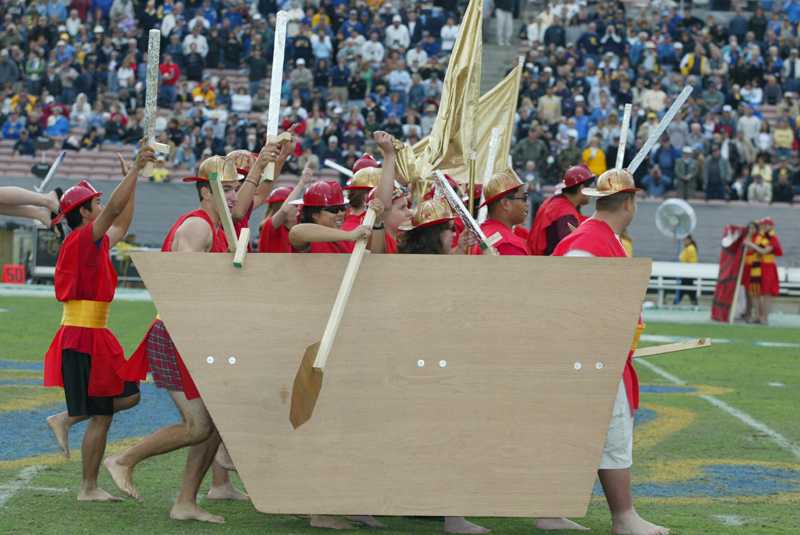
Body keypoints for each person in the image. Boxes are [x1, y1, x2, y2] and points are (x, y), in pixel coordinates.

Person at [109, 156, 248, 523]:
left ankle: (185, 502)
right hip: (174, 335)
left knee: (215, 421)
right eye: (229, 189)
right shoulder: (198, 227)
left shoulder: (217, 229)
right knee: (200, 425)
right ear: (207, 193)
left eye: (236, 189)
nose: (236, 196)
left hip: (195, 336)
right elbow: (186, 289)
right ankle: (123, 459)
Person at [553, 168, 669, 535]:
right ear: (629, 204)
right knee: (613, 432)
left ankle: (552, 511)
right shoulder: (590, 242)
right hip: (590, 358)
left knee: (579, 433)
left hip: (592, 354)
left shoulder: (597, 237)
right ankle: (624, 517)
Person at [43, 141, 155, 502]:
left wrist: (133, 180)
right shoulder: (81, 239)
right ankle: (87, 485)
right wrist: (137, 168)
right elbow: (117, 210)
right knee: (104, 412)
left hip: (92, 335)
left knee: (125, 398)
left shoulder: (93, 241)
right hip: (82, 336)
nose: (103, 206)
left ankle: (68, 420)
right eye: (96, 203)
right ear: (85, 213)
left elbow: (121, 220)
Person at [528, 163, 594, 256]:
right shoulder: (566, 213)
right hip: (548, 265)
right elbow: (571, 252)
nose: (592, 192)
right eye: (591, 187)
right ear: (582, 188)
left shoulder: (552, 200)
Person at [472, 170, 531, 256]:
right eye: (524, 197)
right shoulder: (508, 243)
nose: (527, 203)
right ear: (505, 204)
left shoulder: (483, 232)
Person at [751, 217, 782, 324]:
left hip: (768, 267)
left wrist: (751, 244)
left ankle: (764, 317)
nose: (764, 226)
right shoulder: (759, 237)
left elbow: (764, 251)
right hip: (757, 266)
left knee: (766, 293)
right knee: (755, 292)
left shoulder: (772, 238)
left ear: (771, 226)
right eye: (763, 224)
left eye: (766, 224)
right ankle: (757, 315)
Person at [676, 235, 698, 306]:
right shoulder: (690, 248)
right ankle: (695, 303)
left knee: (682, 290)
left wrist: (683, 251)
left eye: (684, 240)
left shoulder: (689, 248)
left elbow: (682, 258)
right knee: (690, 290)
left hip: (688, 273)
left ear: (689, 240)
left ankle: (675, 304)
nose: (683, 242)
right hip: (690, 273)